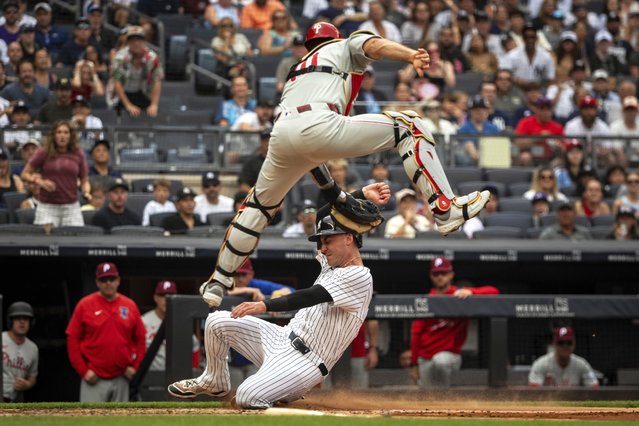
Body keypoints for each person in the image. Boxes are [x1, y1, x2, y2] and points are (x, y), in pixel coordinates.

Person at [199, 21, 490, 309]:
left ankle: (218, 280)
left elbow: (309, 153)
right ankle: (444, 207)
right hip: (320, 121)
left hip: (283, 132)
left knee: (258, 207)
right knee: (409, 124)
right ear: (334, 39)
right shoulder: (341, 45)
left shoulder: (296, 72)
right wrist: (409, 54)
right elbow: (372, 45)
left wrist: (336, 194)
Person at [167, 208, 376, 408]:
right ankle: (214, 380)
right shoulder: (331, 263)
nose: (322, 248)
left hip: (306, 361)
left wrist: (263, 305)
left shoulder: (360, 275)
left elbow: (310, 296)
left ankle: (284, 393)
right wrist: (360, 194)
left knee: (246, 397)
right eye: (322, 242)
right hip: (281, 338)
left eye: (328, 241)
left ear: (349, 238)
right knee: (216, 321)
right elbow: (321, 214)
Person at [409, 257, 499, 388]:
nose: (440, 277)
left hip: (449, 356)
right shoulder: (427, 300)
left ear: (451, 275)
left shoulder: (460, 295)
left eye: (443, 273)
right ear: (431, 276)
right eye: (436, 274)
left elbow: (494, 292)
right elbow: (415, 333)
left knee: (440, 363)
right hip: (425, 357)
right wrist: (413, 363)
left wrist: (471, 291)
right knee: (427, 396)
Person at [66, 262, 146, 402]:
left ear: (118, 281)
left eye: (112, 279)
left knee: (120, 421)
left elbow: (140, 339)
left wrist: (135, 367)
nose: (108, 283)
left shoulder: (129, 305)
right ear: (97, 282)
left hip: (121, 376)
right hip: (94, 378)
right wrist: (83, 371)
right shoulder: (85, 305)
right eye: (103, 280)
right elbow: (72, 339)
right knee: (91, 421)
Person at [20, 121, 90, 234]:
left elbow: (85, 180)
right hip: (48, 206)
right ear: (54, 135)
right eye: (59, 132)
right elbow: (25, 174)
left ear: (71, 135)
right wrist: (40, 182)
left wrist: (86, 192)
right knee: (45, 244)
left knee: (75, 244)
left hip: (71, 206)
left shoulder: (78, 154)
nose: (62, 135)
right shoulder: (44, 152)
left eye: (66, 132)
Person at [142, 280, 200, 372]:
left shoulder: (182, 321)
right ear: (155, 298)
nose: (166, 299)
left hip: (177, 377)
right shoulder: (144, 321)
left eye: (170, 295)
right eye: (162, 296)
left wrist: (193, 372)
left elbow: (194, 347)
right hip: (151, 378)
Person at [111, 26, 163, 118]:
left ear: (144, 41)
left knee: (151, 113)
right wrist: (128, 106)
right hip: (122, 93)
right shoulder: (120, 58)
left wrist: (154, 105)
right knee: (115, 112)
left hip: (142, 92)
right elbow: (117, 83)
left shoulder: (152, 58)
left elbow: (157, 81)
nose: (136, 43)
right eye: (132, 40)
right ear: (128, 43)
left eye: (139, 40)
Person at [529, 326, 599, 388]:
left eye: (569, 343)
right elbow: (533, 391)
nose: (565, 346)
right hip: (548, 401)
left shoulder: (582, 364)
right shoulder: (541, 364)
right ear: (554, 344)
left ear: (574, 344)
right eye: (561, 343)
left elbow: (594, 388)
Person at [2, 301, 38, 403]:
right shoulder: (1, 339)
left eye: (26, 319)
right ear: (11, 321)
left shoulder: (33, 348)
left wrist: (27, 384)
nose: (22, 322)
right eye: (17, 318)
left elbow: (32, 376)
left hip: (15, 400)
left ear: (31, 323)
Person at [502, 23, 555, 89]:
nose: (529, 40)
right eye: (526, 37)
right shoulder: (512, 55)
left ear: (537, 38)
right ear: (523, 38)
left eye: (532, 37)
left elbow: (550, 78)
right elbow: (503, 75)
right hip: (517, 89)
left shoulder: (546, 56)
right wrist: (516, 80)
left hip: (539, 89)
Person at [514, 96, 564, 164]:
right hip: (532, 155)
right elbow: (517, 143)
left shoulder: (557, 127)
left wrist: (556, 143)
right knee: (525, 157)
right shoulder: (526, 122)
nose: (546, 112)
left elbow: (564, 147)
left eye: (548, 109)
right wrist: (538, 137)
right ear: (536, 110)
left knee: (560, 161)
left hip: (551, 157)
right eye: (542, 109)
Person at [457, 95, 501, 166]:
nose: (479, 111)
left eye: (482, 108)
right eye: (476, 109)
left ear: (487, 111)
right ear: (471, 111)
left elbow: (498, 148)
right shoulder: (463, 129)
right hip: (470, 166)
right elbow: (471, 151)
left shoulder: (493, 128)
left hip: (493, 164)